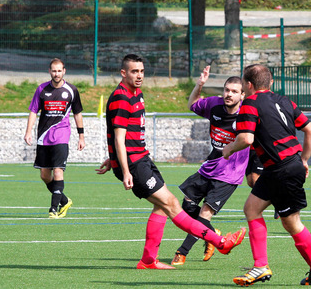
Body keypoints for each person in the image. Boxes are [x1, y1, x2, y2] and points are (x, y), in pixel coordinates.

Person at [95, 54, 246, 270]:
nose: (139, 76)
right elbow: (118, 136)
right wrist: (124, 169)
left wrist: (114, 160)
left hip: (142, 159)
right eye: (134, 71)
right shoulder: (121, 98)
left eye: (142, 71)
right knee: (172, 205)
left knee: (161, 208)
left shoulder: (136, 94)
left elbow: (127, 135)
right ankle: (220, 242)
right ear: (123, 73)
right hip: (135, 165)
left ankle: (148, 260)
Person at [222, 64, 311, 286]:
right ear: (269, 83)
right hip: (281, 167)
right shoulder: (285, 101)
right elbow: (310, 130)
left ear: (248, 85)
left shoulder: (250, 103)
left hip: (282, 169)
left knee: (292, 223)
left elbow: (246, 139)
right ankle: (261, 266)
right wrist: (304, 160)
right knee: (252, 209)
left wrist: (229, 149)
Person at [171, 66, 251, 265]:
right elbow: (192, 104)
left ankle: (182, 252)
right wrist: (200, 84)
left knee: (204, 213)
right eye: (226, 90)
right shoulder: (214, 105)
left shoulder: (247, 114)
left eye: (234, 91)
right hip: (211, 164)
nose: (228, 94)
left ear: (242, 95)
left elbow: (249, 139)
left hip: (230, 174)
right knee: (188, 204)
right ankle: (211, 233)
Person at [24, 58, 85, 219]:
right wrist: (28, 131)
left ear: (64, 71)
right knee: (44, 175)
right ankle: (64, 200)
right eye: (54, 70)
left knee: (58, 170)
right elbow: (33, 111)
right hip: (43, 137)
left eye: (59, 70)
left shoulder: (71, 90)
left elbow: (77, 113)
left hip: (62, 136)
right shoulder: (41, 89)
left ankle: (53, 209)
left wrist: (81, 136)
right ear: (49, 71)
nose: (56, 73)